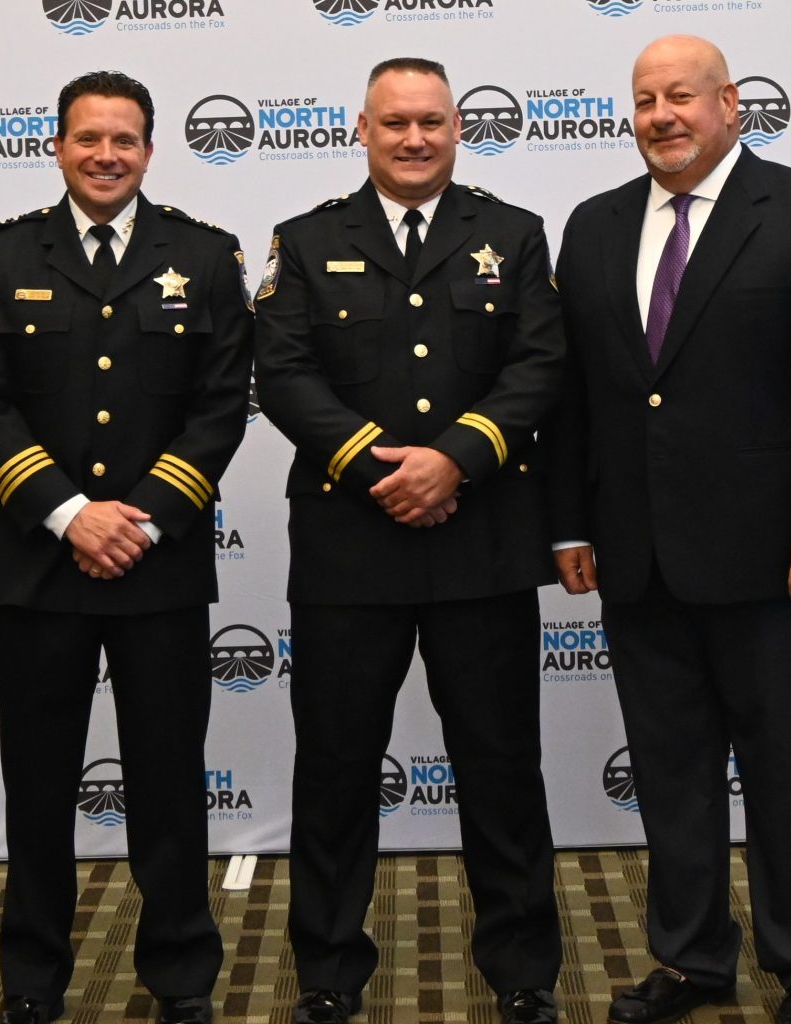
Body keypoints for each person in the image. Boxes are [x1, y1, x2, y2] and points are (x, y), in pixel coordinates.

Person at [546, 35, 791, 1024]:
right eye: (645, 98)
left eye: (681, 97)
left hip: (770, 557)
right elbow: (577, 396)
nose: (660, 115)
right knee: (670, 774)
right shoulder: (597, 224)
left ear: (729, 104)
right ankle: (692, 960)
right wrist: (568, 520)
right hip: (635, 559)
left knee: (785, 771)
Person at [253, 57, 565, 1024]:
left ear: (457, 128)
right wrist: (377, 465)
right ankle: (329, 973)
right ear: (363, 128)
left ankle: (521, 971)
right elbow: (285, 370)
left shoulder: (510, 234)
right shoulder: (306, 241)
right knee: (337, 768)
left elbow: (540, 363)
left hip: (484, 549)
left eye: (432, 121)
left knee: (502, 767)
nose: (415, 138)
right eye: (396, 123)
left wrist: (456, 459)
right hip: (353, 551)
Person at [0, 70, 254, 1024]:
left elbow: (219, 407)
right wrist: (71, 513)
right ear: (58, 146)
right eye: (89, 139)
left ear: (151, 151)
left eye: (125, 140)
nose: (108, 155)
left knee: (169, 782)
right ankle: (33, 979)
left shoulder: (203, 257)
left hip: (159, 567)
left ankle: (182, 976)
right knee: (37, 786)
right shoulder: (1, 257)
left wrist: (140, 517)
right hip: (40, 570)